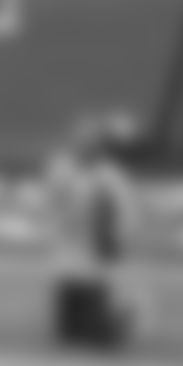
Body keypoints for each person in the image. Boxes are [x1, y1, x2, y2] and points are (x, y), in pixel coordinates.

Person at [44, 123, 140, 351]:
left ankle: (113, 322)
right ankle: (83, 322)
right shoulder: (62, 170)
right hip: (68, 253)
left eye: (90, 144)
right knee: (68, 332)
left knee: (95, 332)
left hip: (96, 253)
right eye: (81, 143)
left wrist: (117, 238)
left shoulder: (110, 177)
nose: (85, 148)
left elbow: (125, 212)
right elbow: (54, 204)